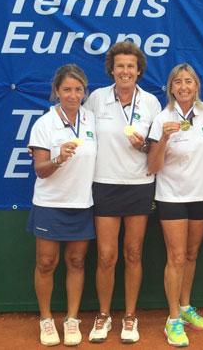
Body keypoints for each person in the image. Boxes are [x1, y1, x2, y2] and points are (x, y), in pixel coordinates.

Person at [84, 41, 161, 344]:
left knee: (132, 253)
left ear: (139, 70)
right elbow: (85, 138)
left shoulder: (152, 103)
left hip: (139, 186)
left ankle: (130, 316)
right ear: (112, 70)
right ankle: (103, 315)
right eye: (120, 66)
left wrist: (142, 145)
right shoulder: (96, 99)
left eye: (131, 66)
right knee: (106, 255)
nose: (125, 71)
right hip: (104, 184)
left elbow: (155, 149)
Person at [27, 64, 97, 346]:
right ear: (57, 91)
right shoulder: (45, 123)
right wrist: (57, 158)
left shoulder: (91, 119)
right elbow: (40, 169)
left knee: (77, 262)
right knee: (46, 263)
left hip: (82, 203)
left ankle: (71, 319)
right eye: (67, 89)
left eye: (78, 89)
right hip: (49, 203)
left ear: (84, 92)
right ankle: (46, 320)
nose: (73, 94)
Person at [148, 63, 203, 347]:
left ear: (196, 86)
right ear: (171, 88)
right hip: (171, 197)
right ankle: (173, 319)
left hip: (202, 196)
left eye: (189, 81)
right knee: (176, 257)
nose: (184, 87)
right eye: (178, 82)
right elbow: (152, 165)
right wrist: (164, 137)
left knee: (190, 254)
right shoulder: (161, 118)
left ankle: (185, 306)